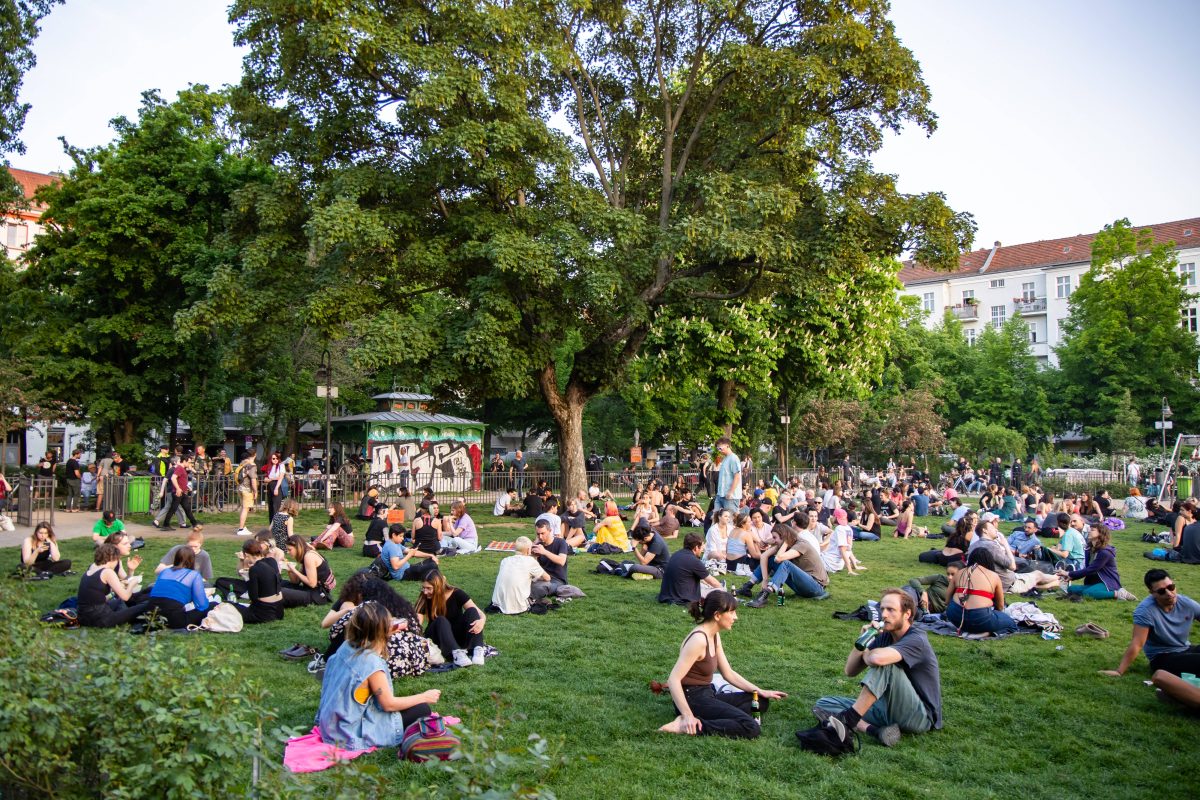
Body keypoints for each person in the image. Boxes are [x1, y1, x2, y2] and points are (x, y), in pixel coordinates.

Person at [801, 588, 942, 751]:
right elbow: (850, 671)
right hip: (886, 708)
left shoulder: (917, 638)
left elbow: (876, 659)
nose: (884, 615)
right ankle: (875, 731)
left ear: (907, 614)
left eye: (891, 610)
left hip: (919, 715)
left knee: (885, 664)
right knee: (824, 704)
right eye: (882, 609)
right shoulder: (885, 636)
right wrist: (862, 641)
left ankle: (848, 721)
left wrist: (869, 654)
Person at [658, 591, 786, 738]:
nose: (736, 617)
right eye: (732, 612)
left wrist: (760, 690)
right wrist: (687, 715)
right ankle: (688, 725)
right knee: (750, 727)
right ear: (717, 615)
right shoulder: (698, 640)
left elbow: (728, 673)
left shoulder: (713, 635)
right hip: (692, 699)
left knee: (759, 700)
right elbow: (673, 679)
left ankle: (721, 718)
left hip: (707, 694)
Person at [316, 602, 443, 750]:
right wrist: (424, 697)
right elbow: (388, 704)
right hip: (348, 734)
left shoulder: (347, 646)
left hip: (331, 725)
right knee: (422, 709)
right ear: (379, 631)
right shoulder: (371, 663)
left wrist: (388, 630)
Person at [1100, 569, 1200, 679]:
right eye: (1162, 591)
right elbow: (1137, 643)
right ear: (1152, 593)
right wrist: (1119, 671)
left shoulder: (1187, 603)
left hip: (1185, 648)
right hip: (1163, 657)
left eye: (1171, 587)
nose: (1169, 594)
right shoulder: (1145, 611)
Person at [417, 570, 488, 668]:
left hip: (457, 636)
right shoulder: (424, 598)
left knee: (471, 611)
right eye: (423, 588)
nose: (425, 592)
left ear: (438, 586)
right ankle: (457, 654)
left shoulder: (457, 593)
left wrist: (482, 621)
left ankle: (477, 649)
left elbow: (479, 612)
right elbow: (417, 623)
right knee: (441, 620)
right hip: (437, 638)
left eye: (429, 588)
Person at [76, 543, 151, 628]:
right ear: (112, 558)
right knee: (146, 605)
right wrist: (133, 583)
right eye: (117, 559)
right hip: (100, 618)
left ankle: (126, 616)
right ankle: (129, 617)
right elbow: (125, 597)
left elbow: (96, 596)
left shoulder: (89, 572)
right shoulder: (107, 572)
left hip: (83, 616)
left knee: (119, 602)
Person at [944, 549, 1018, 635]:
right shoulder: (994, 576)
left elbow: (947, 601)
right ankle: (987, 633)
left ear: (970, 559)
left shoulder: (959, 573)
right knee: (1011, 624)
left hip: (955, 617)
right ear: (989, 561)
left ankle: (967, 630)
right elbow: (1000, 606)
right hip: (981, 618)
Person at [1056, 523, 1137, 600]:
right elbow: (1087, 570)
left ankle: (1118, 593)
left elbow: (1091, 569)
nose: (1089, 531)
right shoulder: (1089, 550)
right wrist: (1072, 577)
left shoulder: (1105, 552)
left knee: (1087, 593)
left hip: (1108, 582)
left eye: (1092, 530)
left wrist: (1068, 573)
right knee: (1071, 589)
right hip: (1094, 582)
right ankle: (1098, 592)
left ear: (1100, 533)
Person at [146, 545, 211, 629]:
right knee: (212, 605)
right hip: (173, 619)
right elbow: (202, 605)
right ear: (192, 560)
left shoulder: (165, 572)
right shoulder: (193, 575)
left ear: (176, 558)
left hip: (151, 615)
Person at [491, 536, 550, 614]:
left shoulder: (505, 560)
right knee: (547, 584)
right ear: (529, 549)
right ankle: (529, 600)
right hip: (519, 607)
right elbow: (547, 578)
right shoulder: (530, 561)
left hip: (497, 604)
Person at [230, 539, 285, 624]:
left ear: (247, 554)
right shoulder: (272, 561)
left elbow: (253, 597)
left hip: (264, 613)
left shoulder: (254, 569)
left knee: (230, 606)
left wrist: (247, 578)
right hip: (279, 610)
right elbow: (279, 580)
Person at [659, 533, 722, 605]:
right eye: (701, 547)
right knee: (716, 590)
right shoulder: (694, 561)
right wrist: (724, 591)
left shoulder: (676, 554)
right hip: (682, 597)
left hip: (667, 594)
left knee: (704, 585)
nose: (702, 550)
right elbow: (713, 582)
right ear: (696, 547)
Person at [282, 535, 334, 607]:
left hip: (318, 595)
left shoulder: (309, 556)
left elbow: (312, 583)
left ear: (298, 547)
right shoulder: (305, 555)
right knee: (281, 583)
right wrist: (289, 570)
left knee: (282, 592)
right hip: (309, 590)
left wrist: (294, 570)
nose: (288, 552)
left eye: (290, 549)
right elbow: (296, 582)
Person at [714, 436, 742, 513]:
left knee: (730, 521)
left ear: (727, 445)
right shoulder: (725, 459)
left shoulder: (734, 458)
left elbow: (737, 477)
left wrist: (730, 492)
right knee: (715, 519)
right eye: (717, 449)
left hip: (731, 497)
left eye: (720, 448)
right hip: (720, 495)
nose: (719, 450)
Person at [234, 451, 259, 536]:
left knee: (243, 508)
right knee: (245, 509)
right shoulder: (252, 465)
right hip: (247, 489)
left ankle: (242, 527)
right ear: (254, 455)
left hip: (240, 487)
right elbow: (253, 480)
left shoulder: (243, 464)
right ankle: (241, 529)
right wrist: (255, 491)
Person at [265, 451, 288, 520]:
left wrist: (276, 488)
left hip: (277, 485)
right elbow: (266, 478)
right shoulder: (269, 466)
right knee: (271, 505)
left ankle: (276, 524)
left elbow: (280, 477)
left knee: (276, 506)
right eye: (273, 458)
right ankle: (271, 524)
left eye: (276, 458)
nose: (275, 460)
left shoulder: (281, 465)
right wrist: (270, 479)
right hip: (270, 485)